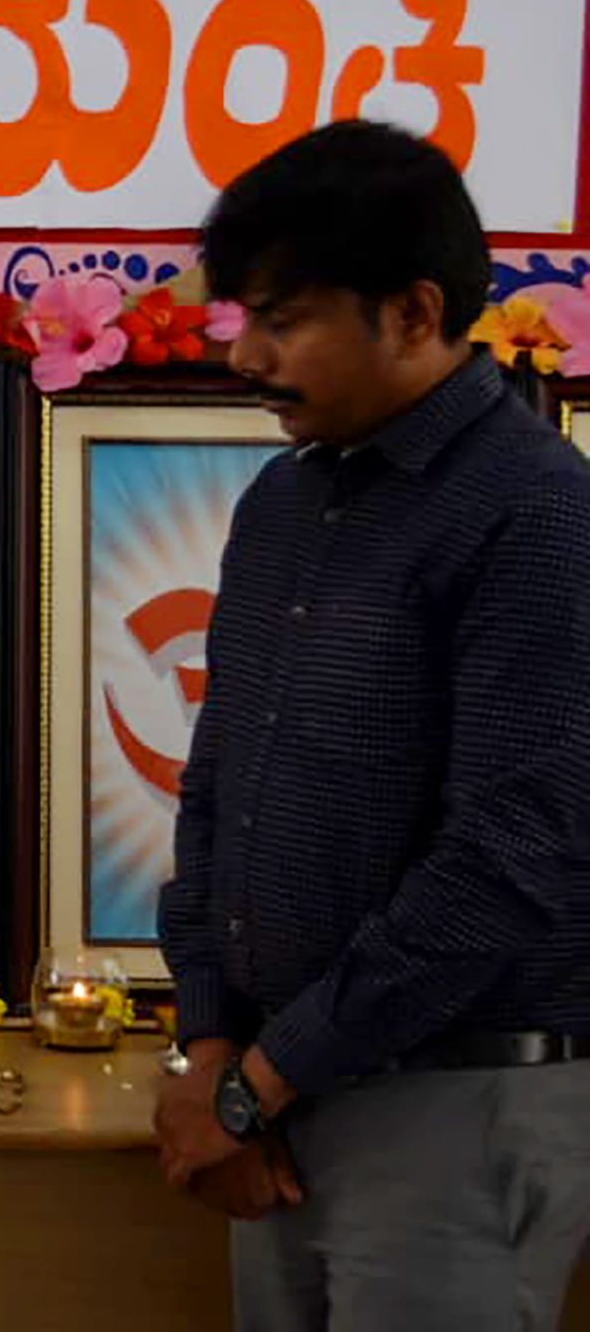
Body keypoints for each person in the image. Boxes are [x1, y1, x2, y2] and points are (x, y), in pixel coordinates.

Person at [154, 119, 590, 1330]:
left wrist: (254, 1081)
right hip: (279, 1091)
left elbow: (513, 860)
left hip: (450, 1103)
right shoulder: (285, 503)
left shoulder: (537, 519)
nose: (244, 355)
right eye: (241, 315)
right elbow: (216, 786)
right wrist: (205, 1047)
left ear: (409, 312)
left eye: (280, 319)